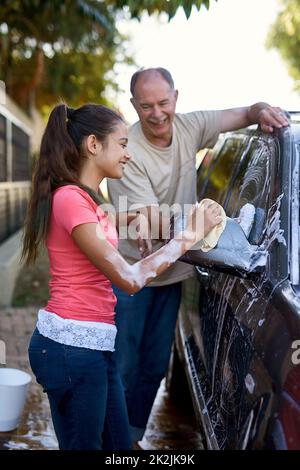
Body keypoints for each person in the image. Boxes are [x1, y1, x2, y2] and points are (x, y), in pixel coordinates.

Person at [21, 102, 224, 451]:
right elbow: (130, 278)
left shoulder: (87, 197)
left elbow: (103, 221)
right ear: (93, 145)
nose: (128, 154)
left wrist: (133, 220)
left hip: (94, 347)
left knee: (120, 446)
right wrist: (188, 236)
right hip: (72, 350)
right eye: (123, 143)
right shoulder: (70, 199)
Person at [107, 67, 290, 446]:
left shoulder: (189, 127)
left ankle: (132, 439)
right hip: (133, 276)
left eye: (163, 103)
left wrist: (261, 111)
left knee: (154, 367)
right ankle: (112, 442)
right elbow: (146, 221)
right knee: (121, 367)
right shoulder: (127, 151)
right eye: (146, 106)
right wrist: (205, 221)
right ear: (133, 106)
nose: (156, 113)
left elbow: (241, 114)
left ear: (176, 97)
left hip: (175, 274)